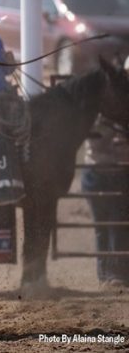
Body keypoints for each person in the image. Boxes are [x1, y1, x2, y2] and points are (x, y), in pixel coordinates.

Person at [82, 60, 129, 291]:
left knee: (106, 225)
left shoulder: (101, 106)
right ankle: (114, 276)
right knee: (114, 224)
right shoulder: (113, 108)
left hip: (99, 171)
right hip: (111, 171)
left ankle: (108, 275)